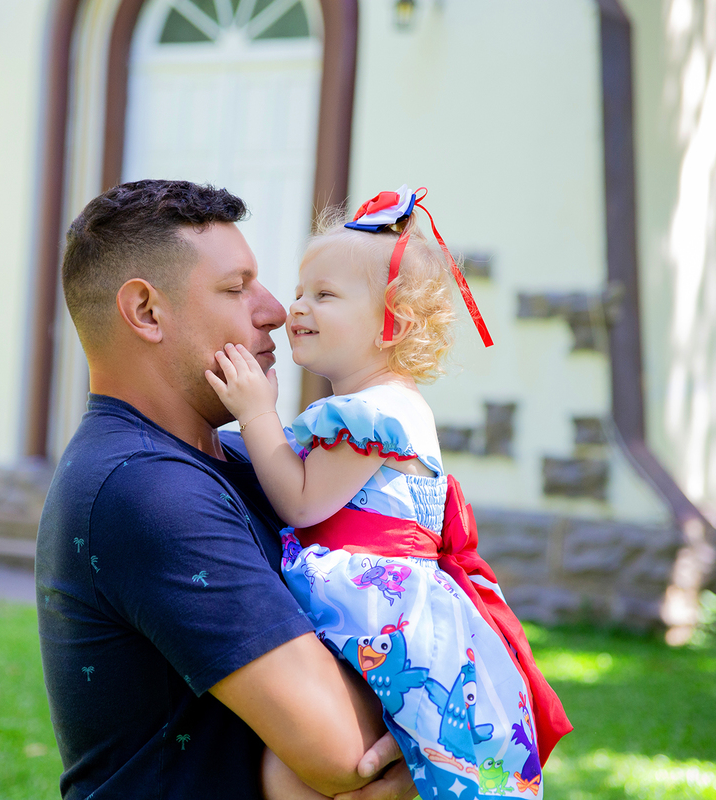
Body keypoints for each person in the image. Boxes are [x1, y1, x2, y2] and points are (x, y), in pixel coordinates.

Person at [35, 179, 418, 799]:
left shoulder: (262, 463)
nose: (274, 310)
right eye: (237, 288)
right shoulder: (145, 491)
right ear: (147, 312)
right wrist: (432, 732)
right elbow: (344, 750)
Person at [205, 186, 572, 799]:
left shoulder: (372, 416)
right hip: (389, 605)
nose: (296, 307)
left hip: (377, 611)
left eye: (324, 295)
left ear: (391, 322)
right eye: (301, 291)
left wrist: (254, 414)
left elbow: (298, 502)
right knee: (318, 768)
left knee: (297, 769)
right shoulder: (381, 407)